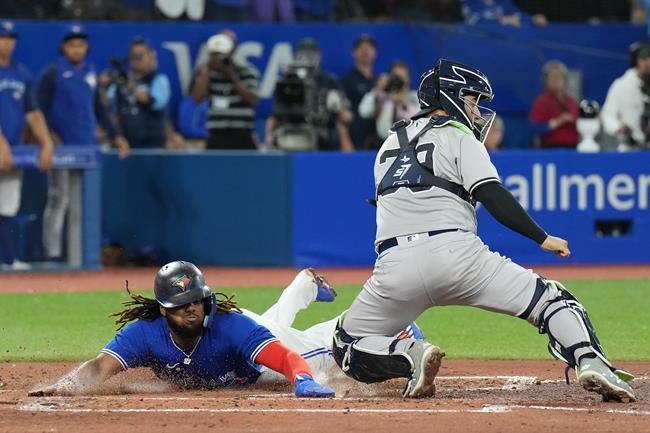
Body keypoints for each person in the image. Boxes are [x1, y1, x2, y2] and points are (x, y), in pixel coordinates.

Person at [332, 58, 636, 402]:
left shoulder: (388, 145)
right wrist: (541, 236)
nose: (476, 111)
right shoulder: (459, 136)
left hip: (395, 267)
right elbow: (491, 193)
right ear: (449, 96)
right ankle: (589, 360)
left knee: (346, 344)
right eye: (471, 100)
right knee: (552, 300)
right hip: (458, 256)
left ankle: (410, 354)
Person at [28, 261, 335, 397]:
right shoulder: (144, 334)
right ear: (163, 309)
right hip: (244, 336)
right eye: (181, 304)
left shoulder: (230, 326)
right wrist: (68, 384)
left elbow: (285, 357)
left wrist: (303, 379)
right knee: (271, 324)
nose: (191, 308)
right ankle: (304, 285)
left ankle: (350, 321)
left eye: (196, 300)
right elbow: (100, 366)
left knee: (324, 349)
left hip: (258, 366)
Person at [38, 24, 129, 261]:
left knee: (82, 203)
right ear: (63, 47)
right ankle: (52, 254)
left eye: (81, 44)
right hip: (61, 146)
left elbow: (99, 108)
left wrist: (116, 135)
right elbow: (40, 108)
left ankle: (78, 256)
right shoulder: (53, 72)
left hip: (87, 146)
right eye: (72, 45)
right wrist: (48, 135)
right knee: (59, 199)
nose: (77, 49)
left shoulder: (90, 71)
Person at [0, 20, 54, 271]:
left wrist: (46, 143)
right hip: (4, 148)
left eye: (11, 38)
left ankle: (8, 259)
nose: (7, 43)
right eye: (3, 37)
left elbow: (32, 112)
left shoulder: (21, 73)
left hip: (12, 150)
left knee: (9, 204)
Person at [265, 38, 353, 151]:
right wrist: (268, 139)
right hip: (290, 134)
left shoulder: (329, 81)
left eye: (312, 54)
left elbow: (348, 117)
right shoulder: (289, 81)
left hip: (323, 135)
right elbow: (274, 116)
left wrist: (337, 106)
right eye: (303, 54)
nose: (307, 58)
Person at [191, 32, 259, 150]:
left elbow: (253, 100)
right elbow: (197, 98)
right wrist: (208, 69)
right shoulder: (208, 75)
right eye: (215, 54)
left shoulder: (247, 72)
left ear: (232, 52)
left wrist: (231, 76)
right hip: (216, 135)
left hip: (242, 135)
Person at [106, 37, 171, 148]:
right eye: (133, 55)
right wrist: (102, 86)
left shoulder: (159, 79)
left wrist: (130, 87)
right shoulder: (121, 80)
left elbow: (156, 103)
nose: (137, 59)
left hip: (153, 145)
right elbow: (108, 105)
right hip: (127, 146)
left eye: (140, 55)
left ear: (150, 56)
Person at [600, 40, 650, 150]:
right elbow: (608, 115)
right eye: (644, 59)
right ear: (635, 61)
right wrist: (619, 127)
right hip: (628, 147)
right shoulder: (621, 85)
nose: (648, 63)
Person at [358, 60, 420, 143]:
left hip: (408, 143)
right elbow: (364, 112)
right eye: (396, 77)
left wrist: (403, 104)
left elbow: (420, 120)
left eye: (402, 77)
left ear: (409, 79)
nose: (398, 81)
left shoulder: (415, 97)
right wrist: (377, 90)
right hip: (382, 143)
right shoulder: (381, 96)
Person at [529, 60, 579, 149]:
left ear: (564, 79)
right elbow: (535, 127)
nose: (556, 80)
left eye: (559, 77)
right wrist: (559, 121)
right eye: (552, 77)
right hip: (550, 149)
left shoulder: (571, 101)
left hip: (572, 148)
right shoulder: (541, 102)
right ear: (546, 80)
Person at [341, 33, 379, 150]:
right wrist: (345, 141)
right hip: (355, 139)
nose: (365, 51)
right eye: (361, 48)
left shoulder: (379, 81)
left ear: (375, 52)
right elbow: (341, 114)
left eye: (369, 48)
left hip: (377, 140)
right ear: (354, 53)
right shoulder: (347, 81)